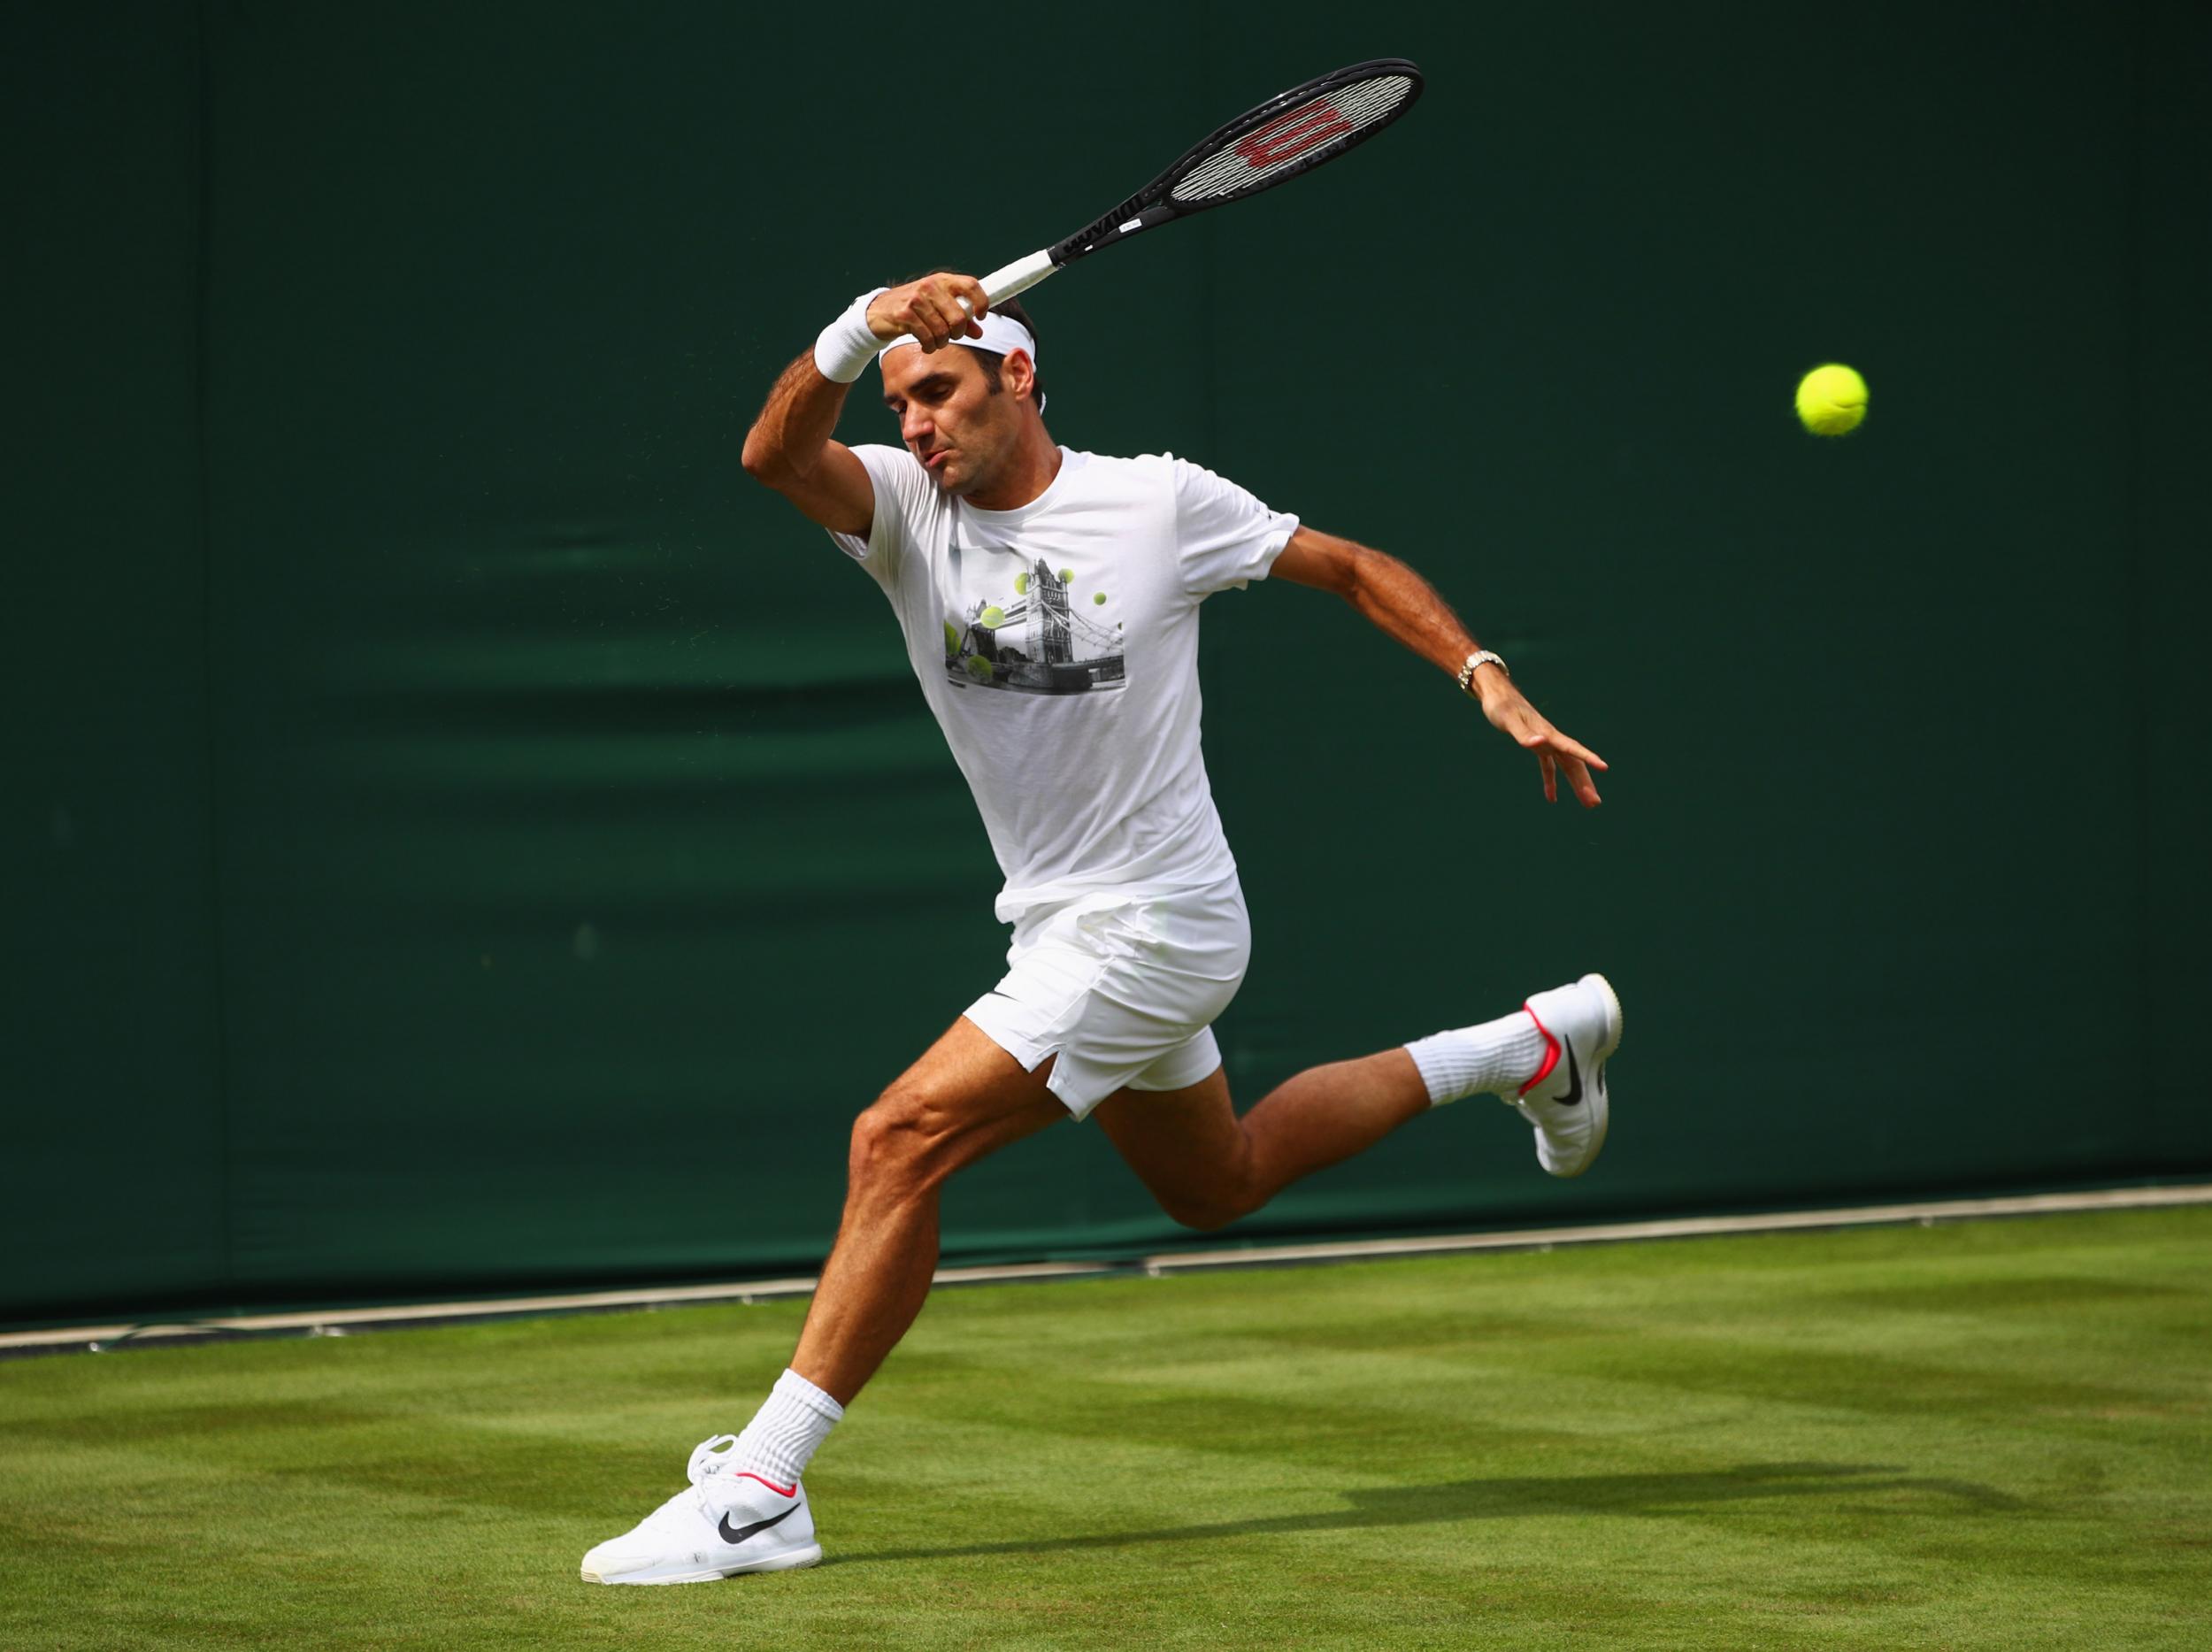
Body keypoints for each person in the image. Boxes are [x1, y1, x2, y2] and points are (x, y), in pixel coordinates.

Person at [580, 272, 1621, 1586]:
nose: (916, 427)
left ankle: (764, 1489)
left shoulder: (1160, 501)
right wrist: (867, 320)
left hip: (1160, 921)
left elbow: (1348, 568)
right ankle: (1531, 1050)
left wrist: (1485, 675)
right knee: (1217, 1182)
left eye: (939, 393)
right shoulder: (902, 509)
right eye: (900, 403)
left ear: (1017, 379)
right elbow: (773, 451)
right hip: (1061, 925)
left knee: (897, 1140)